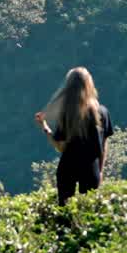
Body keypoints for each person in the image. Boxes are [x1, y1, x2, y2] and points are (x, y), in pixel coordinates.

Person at [34, 67, 114, 206]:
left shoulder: (68, 115)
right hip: (91, 167)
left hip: (68, 167)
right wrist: (100, 171)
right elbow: (103, 146)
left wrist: (45, 127)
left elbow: (60, 147)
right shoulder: (102, 112)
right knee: (91, 213)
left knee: (64, 212)